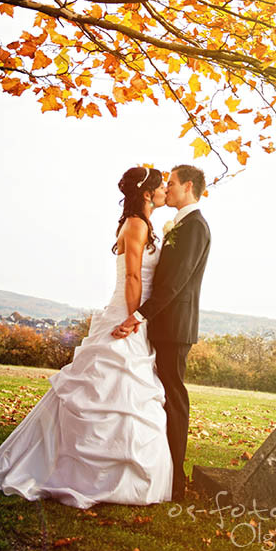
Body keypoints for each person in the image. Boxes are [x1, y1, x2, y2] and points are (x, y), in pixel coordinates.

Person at [0, 166, 173, 508]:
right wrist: (133, 319)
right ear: (145, 193)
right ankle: (88, 473)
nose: (165, 190)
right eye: (161, 186)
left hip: (129, 313)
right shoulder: (137, 224)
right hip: (126, 315)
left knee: (118, 390)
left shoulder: (138, 223)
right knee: (111, 387)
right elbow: (131, 278)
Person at [112, 164, 211, 501]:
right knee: (161, 397)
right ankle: (163, 470)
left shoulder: (195, 226)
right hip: (161, 325)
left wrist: (139, 314)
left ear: (187, 186)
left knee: (173, 399)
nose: (166, 188)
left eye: (171, 183)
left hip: (174, 327)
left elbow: (175, 281)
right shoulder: (178, 224)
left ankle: (176, 479)